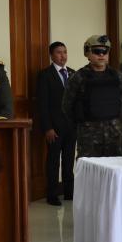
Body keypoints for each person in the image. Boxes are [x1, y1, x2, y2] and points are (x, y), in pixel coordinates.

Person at [63, 35, 122, 157]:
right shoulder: (78, 77)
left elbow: (121, 101)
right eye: (97, 51)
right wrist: (83, 122)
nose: (101, 55)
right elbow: (67, 106)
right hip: (88, 136)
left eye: (105, 51)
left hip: (113, 134)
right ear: (87, 53)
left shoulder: (117, 76)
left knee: (113, 171)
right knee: (88, 172)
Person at [37, 41, 77, 205]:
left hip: (71, 126)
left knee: (69, 161)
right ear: (52, 55)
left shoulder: (73, 74)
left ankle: (69, 193)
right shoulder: (45, 75)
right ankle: (52, 195)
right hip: (54, 127)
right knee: (53, 161)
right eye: (59, 52)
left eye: (65, 52)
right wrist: (48, 128)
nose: (63, 56)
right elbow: (42, 104)